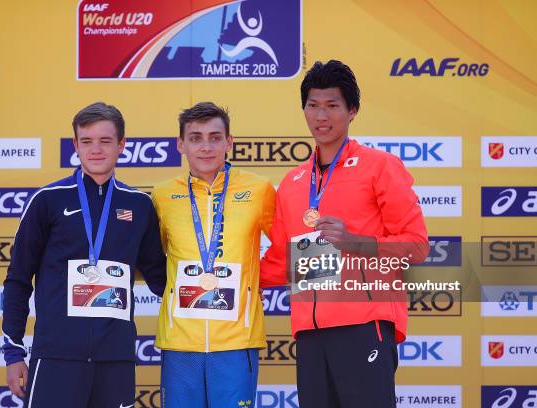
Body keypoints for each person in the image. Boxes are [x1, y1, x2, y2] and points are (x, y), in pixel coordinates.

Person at [260, 60, 428, 407]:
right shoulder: (292, 182)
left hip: (363, 325)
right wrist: (223, 274)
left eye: (332, 106)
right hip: (310, 332)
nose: (321, 116)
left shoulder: (380, 166)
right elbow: (279, 261)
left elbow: (417, 246)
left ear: (352, 111)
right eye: (313, 105)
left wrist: (353, 242)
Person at [2, 102, 166, 408]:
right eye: (86, 141)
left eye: (105, 141)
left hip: (115, 359)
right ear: (75, 144)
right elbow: (18, 279)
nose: (96, 150)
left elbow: (162, 280)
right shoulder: (48, 200)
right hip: (56, 356)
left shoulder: (140, 205)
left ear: (122, 145)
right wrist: (13, 353)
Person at [151, 102, 276, 408]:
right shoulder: (163, 195)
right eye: (195, 138)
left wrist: (256, 279)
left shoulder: (259, 190)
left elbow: (288, 245)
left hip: (236, 342)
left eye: (214, 137)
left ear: (228, 142)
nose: (205, 146)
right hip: (180, 343)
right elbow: (151, 259)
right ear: (181, 144)